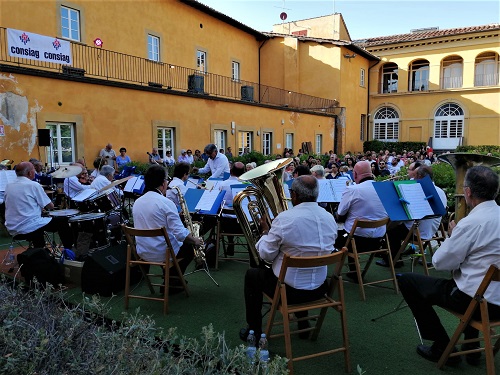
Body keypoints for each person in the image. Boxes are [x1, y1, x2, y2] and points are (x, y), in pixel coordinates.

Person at [398, 166, 500, 366]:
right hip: (496, 303)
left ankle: (442, 348)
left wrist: (453, 237)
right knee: (475, 280)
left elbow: (440, 262)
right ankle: (472, 349)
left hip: (478, 304)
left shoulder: (472, 223)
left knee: (408, 281)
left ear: (468, 192)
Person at [241, 175, 337, 340]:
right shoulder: (329, 218)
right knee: (301, 266)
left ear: (294, 195)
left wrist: (265, 232)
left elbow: (265, 255)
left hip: (289, 292)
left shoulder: (285, 219)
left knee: (252, 275)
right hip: (320, 288)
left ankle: (254, 330)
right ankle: (303, 324)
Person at [132, 165, 202, 289]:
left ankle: (171, 279)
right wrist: (195, 240)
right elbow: (181, 235)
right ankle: (172, 282)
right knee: (191, 246)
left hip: (143, 251)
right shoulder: (166, 203)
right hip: (163, 253)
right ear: (163, 183)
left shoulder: (137, 202)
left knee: (171, 242)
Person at [378, 166, 447, 268]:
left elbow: (406, 216)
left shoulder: (419, 191)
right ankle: (397, 253)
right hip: (432, 230)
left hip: (417, 231)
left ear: (419, 176)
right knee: (396, 225)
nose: (413, 179)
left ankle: (394, 260)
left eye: (414, 176)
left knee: (391, 231)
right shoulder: (440, 191)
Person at [335, 161, 388, 281]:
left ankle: (350, 271)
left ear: (355, 174)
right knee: (351, 231)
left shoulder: (352, 190)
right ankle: (354, 272)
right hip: (379, 240)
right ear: (371, 172)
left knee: (336, 233)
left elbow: (340, 215)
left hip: (355, 241)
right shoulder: (383, 188)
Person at [4, 162, 73, 249]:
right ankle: (69, 250)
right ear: (30, 173)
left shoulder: (9, 186)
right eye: (34, 169)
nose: (35, 171)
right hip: (28, 226)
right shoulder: (33, 185)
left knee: (39, 222)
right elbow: (50, 206)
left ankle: (39, 250)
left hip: (12, 227)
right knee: (62, 222)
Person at [217, 162, 246, 255]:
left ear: (230, 171)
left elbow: (217, 203)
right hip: (243, 224)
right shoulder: (247, 186)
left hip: (225, 224)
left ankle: (230, 241)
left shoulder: (221, 184)